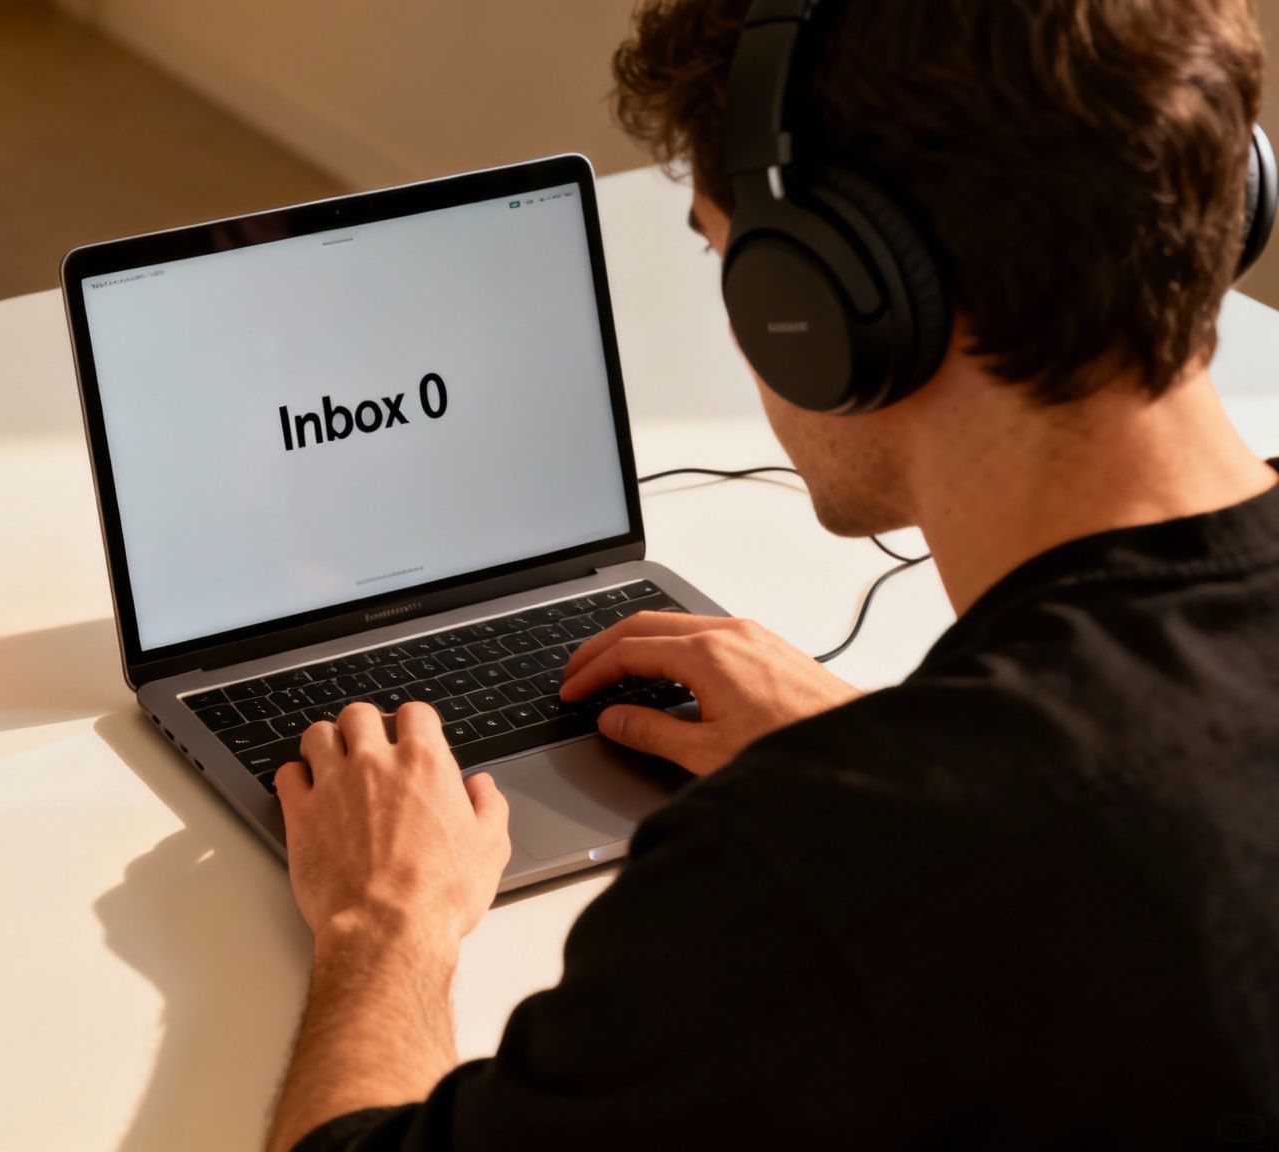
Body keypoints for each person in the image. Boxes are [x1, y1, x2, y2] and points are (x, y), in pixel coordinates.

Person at [264, 1, 1279, 1148]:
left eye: (724, 256)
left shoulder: (817, 876)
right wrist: (907, 746)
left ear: (822, 305)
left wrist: (381, 923)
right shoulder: (935, 819)